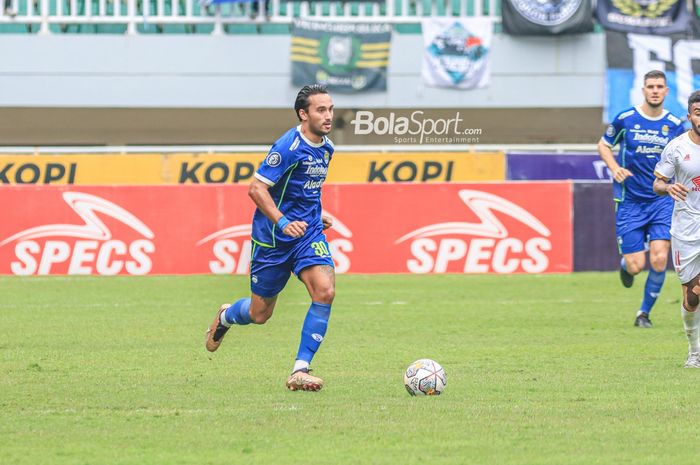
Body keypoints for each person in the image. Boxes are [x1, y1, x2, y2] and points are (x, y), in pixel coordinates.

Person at [205, 84, 336, 391]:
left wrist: (318, 214)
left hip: (307, 234)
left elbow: (304, 189)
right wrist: (283, 221)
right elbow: (256, 188)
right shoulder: (287, 147)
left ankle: (300, 369)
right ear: (304, 114)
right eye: (321, 110)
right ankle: (226, 316)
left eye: (330, 109)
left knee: (325, 291)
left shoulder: (327, 147)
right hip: (272, 241)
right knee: (259, 313)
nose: (328, 115)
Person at [598, 69, 685, 327]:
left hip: (661, 200)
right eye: (651, 86)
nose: (655, 90)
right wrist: (614, 168)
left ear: (666, 91)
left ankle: (643, 314)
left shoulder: (675, 124)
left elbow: (684, 156)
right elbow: (603, 144)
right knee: (637, 265)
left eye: (660, 86)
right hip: (630, 201)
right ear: (644, 90)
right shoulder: (626, 119)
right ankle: (626, 266)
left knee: (659, 258)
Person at [653, 90, 700, 367]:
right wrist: (668, 186)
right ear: (690, 116)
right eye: (698, 113)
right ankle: (694, 352)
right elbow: (657, 183)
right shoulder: (677, 148)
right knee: (693, 296)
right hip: (686, 229)